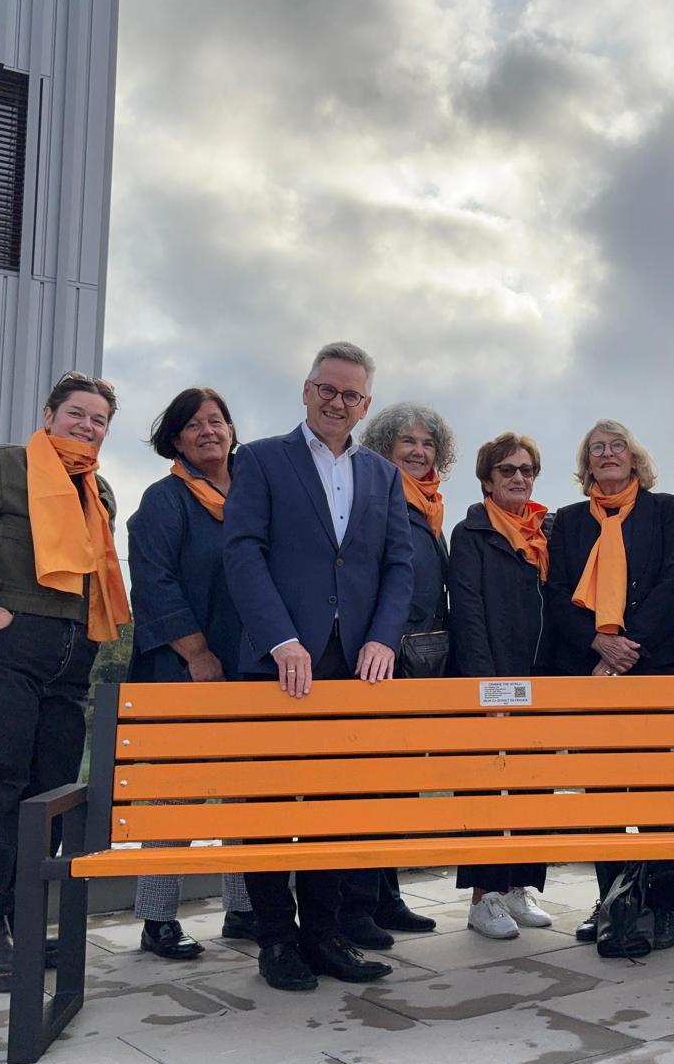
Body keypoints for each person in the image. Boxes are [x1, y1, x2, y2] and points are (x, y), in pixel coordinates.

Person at [221, 341, 413, 992]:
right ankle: (277, 941)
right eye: (327, 389)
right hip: (279, 664)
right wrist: (279, 638)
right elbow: (242, 553)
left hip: (354, 667)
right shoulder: (260, 460)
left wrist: (384, 639)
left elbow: (399, 566)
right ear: (307, 391)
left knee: (337, 807)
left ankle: (325, 937)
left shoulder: (383, 476)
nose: (337, 402)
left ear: (366, 404)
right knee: (270, 809)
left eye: (351, 394)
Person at [0, 371, 130, 992]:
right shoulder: (2, 466)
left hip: (67, 661)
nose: (87, 426)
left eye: (99, 420)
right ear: (49, 415)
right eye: (77, 413)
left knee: (49, 795)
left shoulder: (99, 492)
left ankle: (25, 919)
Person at [547, 420, 674, 951]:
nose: (607, 454)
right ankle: (612, 904)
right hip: (589, 670)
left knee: (656, 794)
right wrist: (598, 643)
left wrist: (626, 647)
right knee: (602, 795)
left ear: (635, 458)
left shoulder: (666, 510)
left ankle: (662, 909)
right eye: (597, 449)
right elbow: (556, 591)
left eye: (617, 446)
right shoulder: (568, 521)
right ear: (587, 464)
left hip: (650, 666)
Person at [124, 388, 255, 961]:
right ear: (175, 439)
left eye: (217, 421)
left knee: (244, 791)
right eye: (194, 424)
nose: (209, 431)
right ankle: (157, 919)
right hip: (184, 669)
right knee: (176, 796)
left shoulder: (253, 494)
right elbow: (154, 583)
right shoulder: (164, 500)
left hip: (249, 666)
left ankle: (245, 909)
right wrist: (198, 653)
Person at [335, 404, 458, 948]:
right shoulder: (375, 499)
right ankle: (356, 907)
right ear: (384, 445)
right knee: (371, 786)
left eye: (428, 443)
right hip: (380, 661)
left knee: (400, 784)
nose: (418, 451)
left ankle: (386, 897)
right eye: (407, 441)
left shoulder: (429, 507)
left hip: (418, 664)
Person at [448, 432, 556, 939]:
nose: (518, 477)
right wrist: (484, 687)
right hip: (491, 676)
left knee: (536, 782)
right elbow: (467, 612)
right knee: (485, 787)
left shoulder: (546, 530)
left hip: (541, 676)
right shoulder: (471, 532)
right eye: (507, 469)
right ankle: (483, 896)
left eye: (526, 469)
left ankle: (519, 886)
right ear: (487, 479)